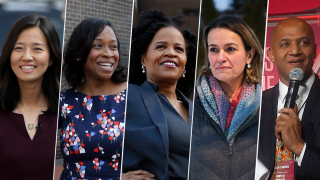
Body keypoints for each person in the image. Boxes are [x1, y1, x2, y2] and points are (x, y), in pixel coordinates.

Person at [121, 10, 197, 180]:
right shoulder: (128, 96)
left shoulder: (198, 111)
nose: (171, 53)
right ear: (143, 59)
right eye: (161, 46)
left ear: (184, 63)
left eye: (179, 49)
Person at [189, 16, 263, 180]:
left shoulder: (267, 105)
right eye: (214, 49)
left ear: (249, 55)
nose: (220, 58)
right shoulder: (189, 102)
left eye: (230, 49)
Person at [59, 18, 127, 180]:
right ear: (80, 54)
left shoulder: (134, 97)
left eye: (113, 47)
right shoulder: (63, 101)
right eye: (98, 45)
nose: (108, 53)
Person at [256, 17, 320, 180]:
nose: (295, 51)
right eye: (285, 44)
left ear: (314, 49)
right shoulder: (255, 106)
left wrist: (300, 147)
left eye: (303, 42)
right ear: (271, 54)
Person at [0, 14, 61, 179]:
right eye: (18, 48)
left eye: (37, 48)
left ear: (51, 59)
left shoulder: (67, 111)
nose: (26, 56)